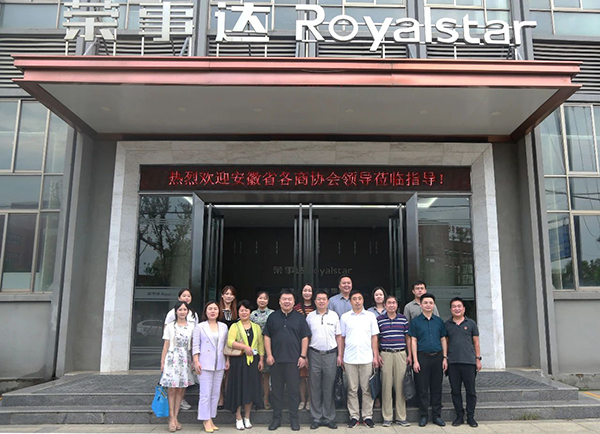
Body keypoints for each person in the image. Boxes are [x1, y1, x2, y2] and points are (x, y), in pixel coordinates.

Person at [264, 289, 311, 431]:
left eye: (289, 299)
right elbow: (267, 336)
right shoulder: (273, 317)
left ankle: (294, 420)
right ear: (279, 301)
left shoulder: (299, 318)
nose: (286, 302)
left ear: (293, 302)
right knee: (276, 391)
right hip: (276, 360)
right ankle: (276, 419)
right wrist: (269, 355)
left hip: (293, 360)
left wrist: (303, 356)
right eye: (284, 299)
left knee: (293, 392)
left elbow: (305, 337)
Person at [339, 290, 380, 428]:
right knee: (352, 389)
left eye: (359, 299)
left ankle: (367, 416)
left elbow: (374, 337)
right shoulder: (345, 317)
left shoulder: (370, 316)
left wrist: (375, 356)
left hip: (366, 357)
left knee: (367, 388)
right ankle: (354, 416)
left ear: (363, 300)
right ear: (350, 301)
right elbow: (342, 338)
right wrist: (341, 355)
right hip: (350, 358)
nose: (357, 301)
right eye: (354, 299)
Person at [408, 293, 448, 428]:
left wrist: (445, 357)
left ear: (434, 305)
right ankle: (423, 415)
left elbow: (443, 339)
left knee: (437, 388)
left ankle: (437, 416)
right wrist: (415, 360)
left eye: (431, 303)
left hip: (437, 357)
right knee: (422, 388)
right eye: (425, 303)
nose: (428, 305)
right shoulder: (415, 322)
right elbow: (413, 341)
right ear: (421, 305)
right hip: (422, 357)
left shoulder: (439, 321)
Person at [224, 300, 264, 430]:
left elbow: (260, 344)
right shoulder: (235, 326)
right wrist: (245, 347)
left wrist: (261, 360)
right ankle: (238, 417)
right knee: (238, 388)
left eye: (246, 310)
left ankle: (247, 417)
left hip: (253, 362)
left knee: (250, 389)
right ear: (238, 312)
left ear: (250, 312)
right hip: (238, 362)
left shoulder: (256, 327)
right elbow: (230, 342)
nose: (244, 312)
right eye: (241, 310)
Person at [305, 289, 342, 430]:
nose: (321, 301)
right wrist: (305, 355)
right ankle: (316, 417)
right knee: (314, 386)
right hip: (313, 354)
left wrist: (340, 355)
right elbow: (306, 337)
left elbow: (338, 336)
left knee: (328, 386)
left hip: (330, 354)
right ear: (315, 301)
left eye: (323, 299)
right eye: (318, 299)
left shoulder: (334, 316)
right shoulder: (310, 317)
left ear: (328, 301)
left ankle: (328, 417)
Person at [192, 301, 230, 433]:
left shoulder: (223, 326)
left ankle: (211, 417)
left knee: (215, 393)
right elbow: (195, 345)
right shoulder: (200, 327)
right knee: (205, 393)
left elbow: (226, 345)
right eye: (210, 309)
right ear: (205, 311)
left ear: (219, 312)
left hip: (219, 363)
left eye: (215, 309)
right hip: (204, 363)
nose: (213, 311)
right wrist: (196, 361)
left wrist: (227, 359)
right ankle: (205, 419)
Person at [445, 297, 481, 428]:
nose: (457, 309)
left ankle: (470, 416)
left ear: (464, 308)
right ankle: (459, 416)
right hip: (453, 362)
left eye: (459, 306)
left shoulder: (471, 323)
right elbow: (446, 343)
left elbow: (476, 342)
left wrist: (478, 359)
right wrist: (445, 358)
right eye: (454, 306)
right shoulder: (447, 324)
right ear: (451, 309)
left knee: (470, 391)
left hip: (469, 362)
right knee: (455, 391)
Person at [160, 301, 195, 432]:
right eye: (180, 309)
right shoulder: (170, 326)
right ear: (176, 311)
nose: (182, 312)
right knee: (171, 389)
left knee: (180, 389)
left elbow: (193, 345)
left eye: (184, 309)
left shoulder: (192, 326)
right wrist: (162, 361)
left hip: (185, 358)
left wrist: (194, 360)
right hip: (172, 358)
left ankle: (176, 416)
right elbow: (166, 345)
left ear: (188, 311)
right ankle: (171, 418)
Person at [376, 295, 411, 428]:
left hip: (400, 353)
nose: (391, 305)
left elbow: (407, 337)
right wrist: (377, 354)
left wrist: (409, 354)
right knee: (386, 385)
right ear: (385, 305)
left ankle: (401, 417)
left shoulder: (403, 319)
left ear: (397, 305)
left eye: (393, 303)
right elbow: (376, 339)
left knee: (400, 385)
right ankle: (387, 417)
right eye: (389, 303)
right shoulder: (379, 320)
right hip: (385, 354)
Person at [164, 288, 199, 411]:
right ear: (179, 298)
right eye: (184, 296)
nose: (186, 298)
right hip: (173, 353)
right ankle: (172, 408)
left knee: (185, 379)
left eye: (188, 296)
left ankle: (181, 399)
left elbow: (195, 336)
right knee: (173, 380)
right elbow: (166, 335)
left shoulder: (193, 314)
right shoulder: (171, 313)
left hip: (186, 353)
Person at [250, 290, 274, 410]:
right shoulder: (252, 314)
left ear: (268, 300)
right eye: (260, 298)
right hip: (254, 348)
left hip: (268, 347)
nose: (262, 300)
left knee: (266, 374)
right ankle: (256, 398)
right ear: (256, 300)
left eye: (265, 298)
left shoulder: (272, 314)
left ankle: (266, 398)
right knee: (256, 374)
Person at [294, 283, 316, 411]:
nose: (307, 293)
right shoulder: (296, 308)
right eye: (305, 290)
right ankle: (302, 400)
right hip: (300, 346)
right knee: (302, 376)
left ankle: (310, 400)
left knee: (312, 377)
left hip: (314, 345)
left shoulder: (316, 308)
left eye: (309, 291)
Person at [218, 285, 238, 408]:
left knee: (229, 373)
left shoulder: (237, 311)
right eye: (226, 294)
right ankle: (220, 398)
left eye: (231, 294)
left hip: (232, 345)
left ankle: (229, 396)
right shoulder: (217, 310)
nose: (229, 296)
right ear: (222, 295)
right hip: (219, 344)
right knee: (220, 373)